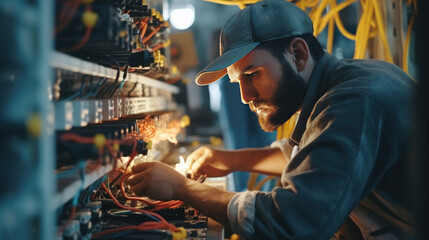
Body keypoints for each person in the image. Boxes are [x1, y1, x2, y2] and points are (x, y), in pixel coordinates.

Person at [126, 0, 416, 239]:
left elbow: (292, 222)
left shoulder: (354, 101)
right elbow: (318, 160)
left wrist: (182, 188)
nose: (244, 96)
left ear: (298, 54)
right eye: (237, 81)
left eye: (252, 75)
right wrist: (229, 159)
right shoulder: (346, 81)